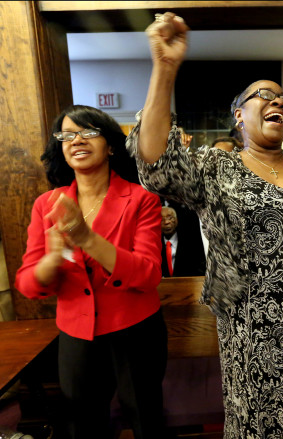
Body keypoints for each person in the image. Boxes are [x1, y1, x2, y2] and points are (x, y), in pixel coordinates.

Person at [127, 12, 283, 438]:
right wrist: (165, 68)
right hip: (251, 329)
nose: (278, 101)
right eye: (263, 95)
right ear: (239, 116)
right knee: (261, 425)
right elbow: (156, 165)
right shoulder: (217, 166)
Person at [15, 105, 167, 439]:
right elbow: (26, 283)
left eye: (88, 132)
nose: (76, 140)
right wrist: (51, 261)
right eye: (67, 135)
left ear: (111, 145)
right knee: (81, 425)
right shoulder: (48, 204)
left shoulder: (141, 200)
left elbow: (147, 274)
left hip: (135, 331)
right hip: (76, 333)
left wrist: (86, 238)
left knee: (146, 420)